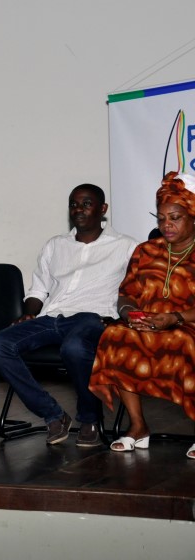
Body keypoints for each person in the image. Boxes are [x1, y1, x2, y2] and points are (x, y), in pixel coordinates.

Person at [0, 184, 137, 446]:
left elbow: (135, 291)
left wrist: (122, 318)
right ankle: (53, 414)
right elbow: (39, 289)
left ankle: (90, 419)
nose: (78, 209)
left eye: (86, 204)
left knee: (75, 347)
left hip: (93, 318)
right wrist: (29, 314)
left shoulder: (126, 246)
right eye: (73, 204)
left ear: (103, 209)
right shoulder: (55, 245)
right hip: (51, 317)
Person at [89, 171, 195, 459]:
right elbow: (126, 293)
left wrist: (174, 318)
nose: (166, 225)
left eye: (175, 218)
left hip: (188, 325)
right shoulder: (146, 251)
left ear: (192, 216)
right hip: (149, 323)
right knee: (115, 335)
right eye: (161, 219)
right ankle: (138, 426)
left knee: (184, 343)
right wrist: (129, 314)